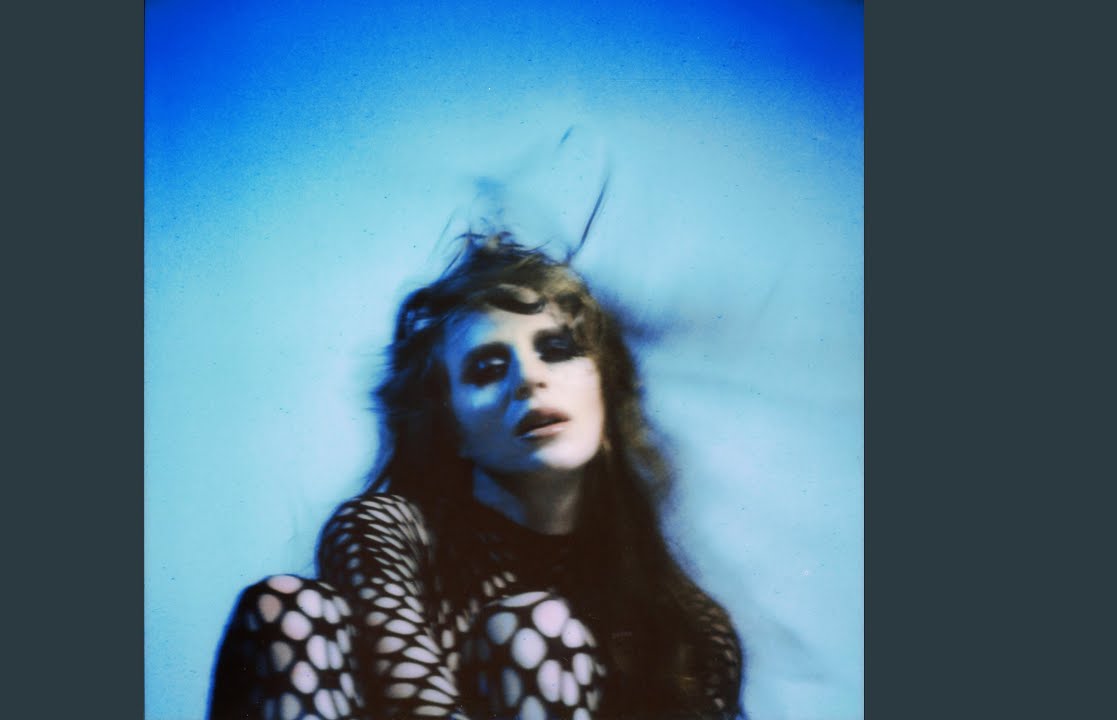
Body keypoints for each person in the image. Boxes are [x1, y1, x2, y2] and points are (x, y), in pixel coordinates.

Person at [209, 231, 744, 720]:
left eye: (557, 350)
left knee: (535, 629)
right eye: (487, 368)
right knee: (289, 609)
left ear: (606, 395)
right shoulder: (382, 533)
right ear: (452, 429)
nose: (528, 380)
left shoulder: (691, 627)